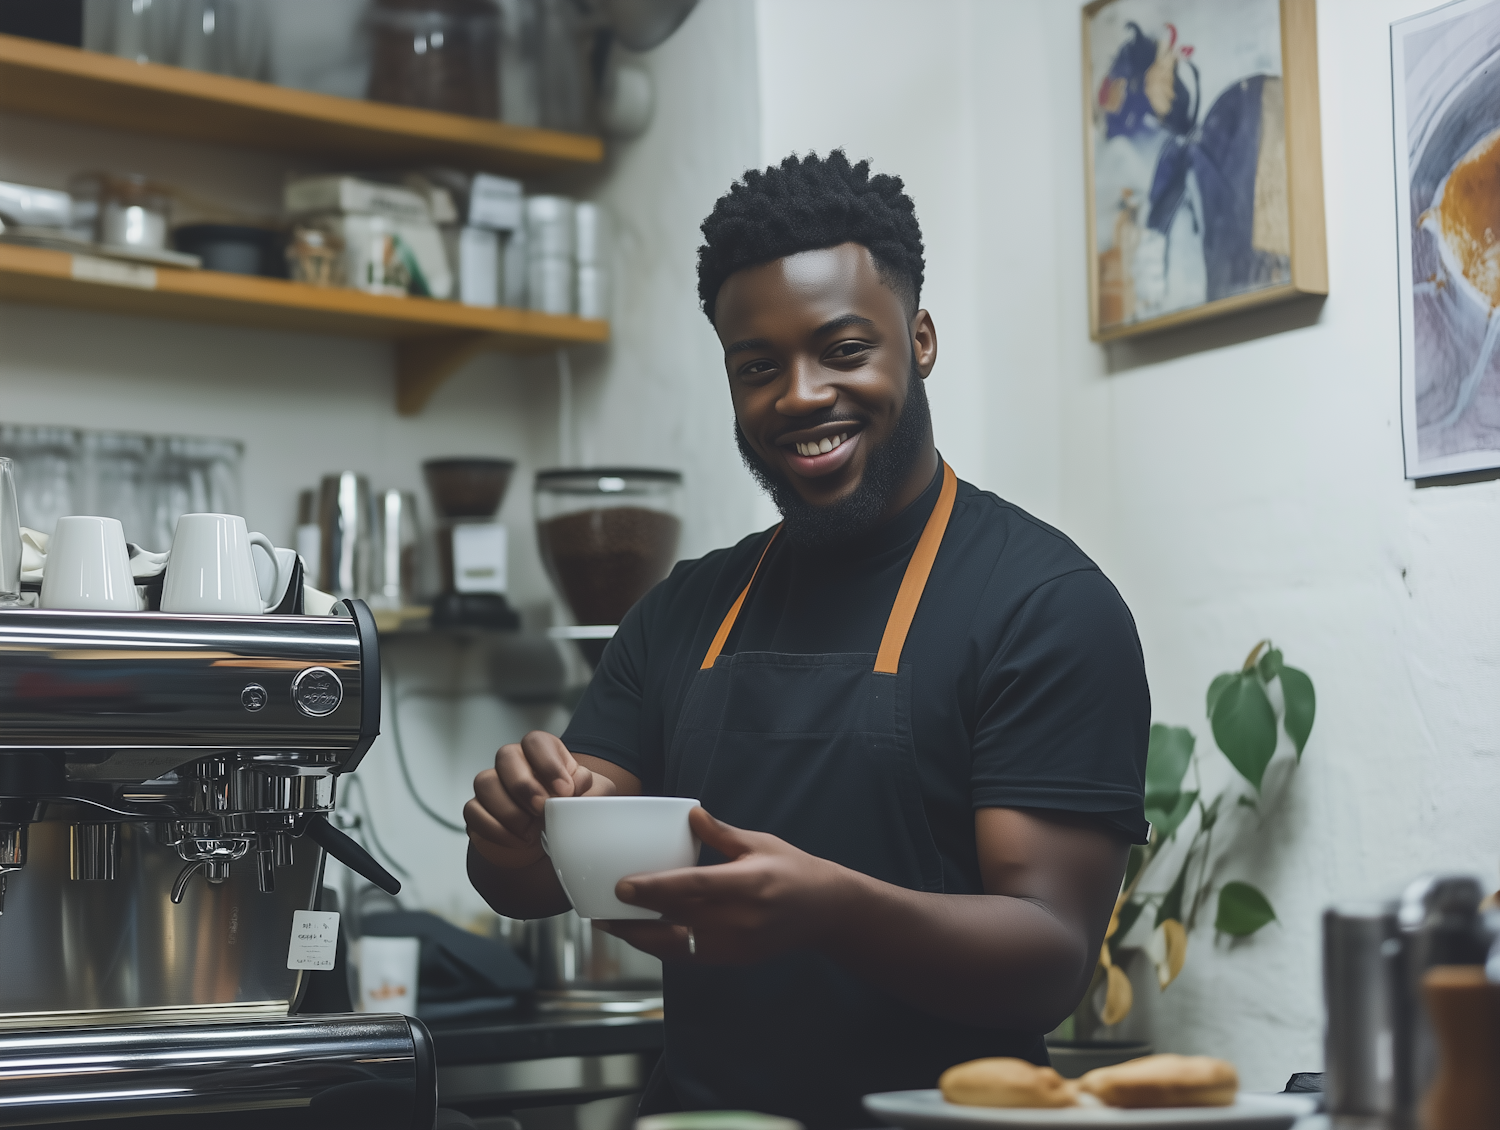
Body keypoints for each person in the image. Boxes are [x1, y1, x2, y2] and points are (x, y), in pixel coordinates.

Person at [465, 151, 1150, 1129]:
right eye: (758, 367)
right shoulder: (686, 608)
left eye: (841, 348)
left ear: (918, 340)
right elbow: (539, 876)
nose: (797, 393)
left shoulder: (1042, 604)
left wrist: (833, 908)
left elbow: (1048, 959)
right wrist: (518, 822)